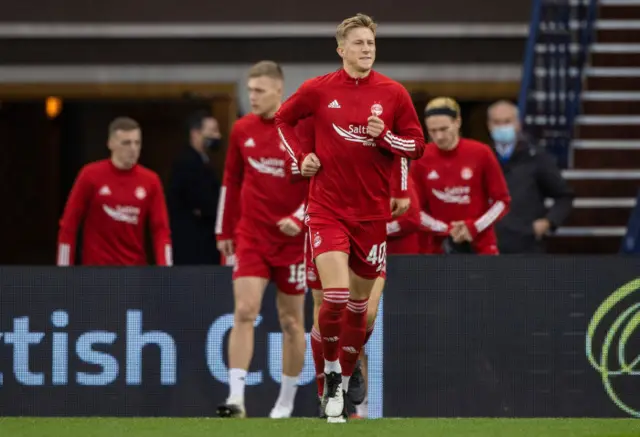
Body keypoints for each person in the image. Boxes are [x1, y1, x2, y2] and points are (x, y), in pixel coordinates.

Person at [275, 13, 425, 422]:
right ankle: (331, 380)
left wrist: (385, 137)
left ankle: (349, 364)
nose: (366, 49)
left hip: (371, 215)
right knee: (335, 297)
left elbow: (415, 146)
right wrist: (300, 158)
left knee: (363, 311)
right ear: (341, 49)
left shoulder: (393, 93)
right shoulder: (318, 90)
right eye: (358, 43)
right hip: (326, 210)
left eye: (370, 43)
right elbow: (283, 120)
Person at [214, 61, 309, 419]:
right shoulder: (242, 130)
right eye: (249, 89)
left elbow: (322, 185)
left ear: (279, 92)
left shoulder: (302, 131)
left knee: (291, 323)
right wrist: (224, 230)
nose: (250, 96)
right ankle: (236, 398)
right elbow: (231, 181)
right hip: (252, 236)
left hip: (293, 243)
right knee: (244, 310)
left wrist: (300, 219)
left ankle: (284, 402)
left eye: (259, 91)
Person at [57, 117, 172, 266]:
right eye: (126, 143)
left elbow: (161, 230)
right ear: (110, 143)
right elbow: (69, 225)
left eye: (137, 143)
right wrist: (62, 271)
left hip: (134, 273)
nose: (133, 149)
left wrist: (167, 271)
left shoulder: (151, 181)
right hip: (97, 273)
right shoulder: (90, 175)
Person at [412, 97, 511, 254]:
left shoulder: (481, 153)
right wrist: (446, 229)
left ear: (457, 122)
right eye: (433, 131)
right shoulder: (421, 158)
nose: (439, 136)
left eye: (444, 129)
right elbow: (414, 208)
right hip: (436, 248)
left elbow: (502, 201)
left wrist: (473, 227)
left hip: (480, 245)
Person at [487, 100, 574, 253]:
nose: (502, 127)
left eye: (507, 121)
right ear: (489, 125)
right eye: (497, 122)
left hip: (526, 245)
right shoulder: (481, 158)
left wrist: (548, 222)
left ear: (517, 124)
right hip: (488, 246)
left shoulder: (537, 157)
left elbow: (564, 196)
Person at [167, 111, 222, 265]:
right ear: (196, 134)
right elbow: (200, 202)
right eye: (212, 131)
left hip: (204, 242)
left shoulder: (205, 161)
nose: (217, 136)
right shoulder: (187, 163)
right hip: (193, 244)